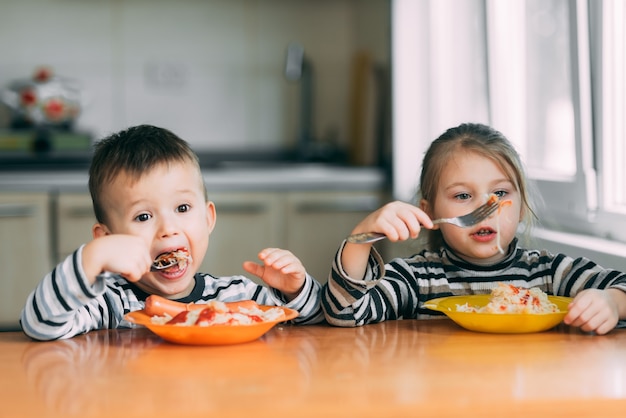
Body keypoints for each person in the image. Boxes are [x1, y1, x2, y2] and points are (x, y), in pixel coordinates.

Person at [21, 125, 324, 341]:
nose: (168, 230)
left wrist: (295, 290)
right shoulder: (109, 303)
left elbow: (315, 319)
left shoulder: (239, 295)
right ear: (108, 237)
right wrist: (90, 259)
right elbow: (39, 324)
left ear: (208, 218)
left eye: (182, 209)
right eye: (143, 216)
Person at [322, 122, 626, 335]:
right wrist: (361, 238)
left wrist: (611, 302)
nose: (484, 211)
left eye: (501, 194)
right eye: (463, 196)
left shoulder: (549, 273)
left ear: (520, 207)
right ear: (430, 212)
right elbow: (345, 314)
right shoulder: (416, 280)